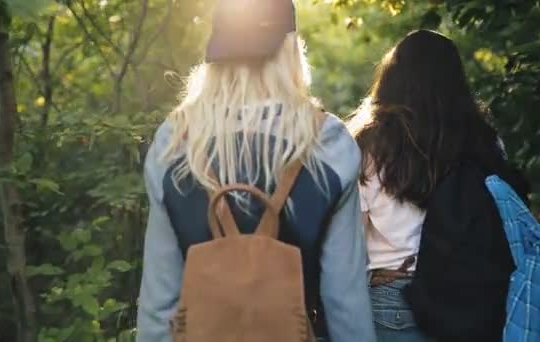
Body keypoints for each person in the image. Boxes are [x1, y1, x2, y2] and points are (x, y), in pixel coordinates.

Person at [136, 0, 376, 341]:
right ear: (291, 49)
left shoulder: (174, 142)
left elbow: (159, 302)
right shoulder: (328, 142)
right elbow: (345, 302)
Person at [349, 29, 528, 341]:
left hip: (394, 298)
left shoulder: (370, 144)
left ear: (393, 76)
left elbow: (350, 236)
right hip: (470, 300)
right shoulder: (484, 140)